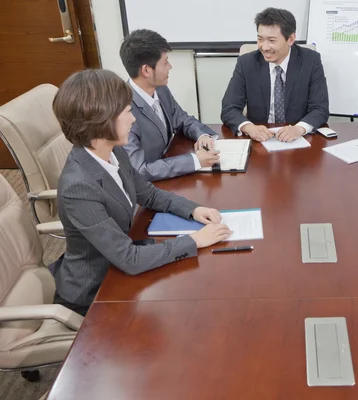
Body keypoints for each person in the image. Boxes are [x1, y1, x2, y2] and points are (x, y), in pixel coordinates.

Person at [49, 69, 232, 316]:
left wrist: (193, 210)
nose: (133, 119)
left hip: (121, 269)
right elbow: (129, 259)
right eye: (126, 112)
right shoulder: (78, 188)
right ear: (102, 121)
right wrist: (195, 241)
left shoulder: (113, 151)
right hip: (96, 293)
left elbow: (148, 194)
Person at [120, 29, 220, 181]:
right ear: (146, 70)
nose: (170, 67)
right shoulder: (124, 110)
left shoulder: (160, 89)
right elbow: (140, 170)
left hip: (169, 174)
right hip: (146, 191)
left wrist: (202, 135)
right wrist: (194, 161)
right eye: (165, 62)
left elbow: (182, 119)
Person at [221, 7, 329, 142]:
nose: (264, 47)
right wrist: (249, 127)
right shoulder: (247, 63)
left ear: (290, 39)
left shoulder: (310, 61)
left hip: (297, 139)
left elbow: (320, 109)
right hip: (260, 140)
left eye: (272, 41)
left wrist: (299, 128)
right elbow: (229, 108)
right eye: (260, 39)